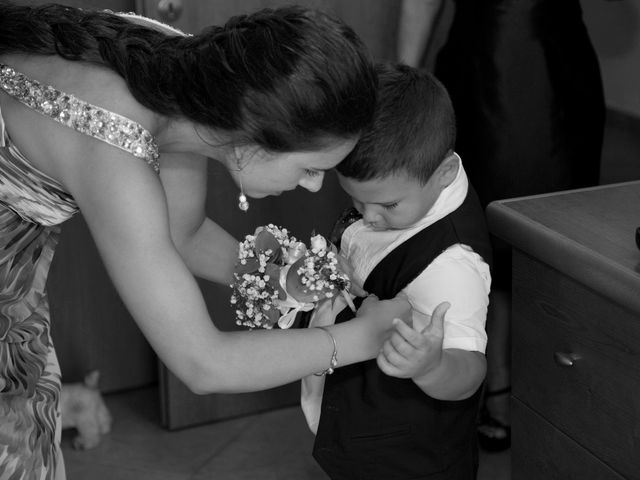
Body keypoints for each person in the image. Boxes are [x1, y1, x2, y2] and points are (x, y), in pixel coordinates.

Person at [0, 3, 416, 478]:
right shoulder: (112, 149)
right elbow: (202, 363)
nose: (315, 186)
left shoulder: (182, 77)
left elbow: (184, 234)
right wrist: (362, 337)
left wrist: (285, 279)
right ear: (253, 135)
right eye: (311, 169)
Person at [397, 0, 605, 451]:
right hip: (479, 67)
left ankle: (555, 389)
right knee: (476, 229)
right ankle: (481, 378)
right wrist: (402, 86)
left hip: (558, 69)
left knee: (557, 232)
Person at [300, 63, 493, 480]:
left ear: (443, 173)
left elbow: (470, 371)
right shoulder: (401, 189)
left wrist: (432, 367)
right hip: (360, 425)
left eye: (387, 206)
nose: (368, 217)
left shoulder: (451, 265)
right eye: (354, 198)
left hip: (409, 460)